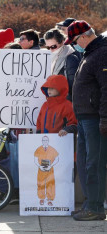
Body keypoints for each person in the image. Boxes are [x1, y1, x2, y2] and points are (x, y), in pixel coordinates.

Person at [64, 20, 107, 221]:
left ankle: (96, 207)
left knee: (94, 163)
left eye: (74, 40)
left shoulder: (100, 53)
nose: (73, 44)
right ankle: (91, 204)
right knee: (86, 162)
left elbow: (106, 88)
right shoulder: (90, 53)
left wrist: (105, 118)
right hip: (85, 118)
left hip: (94, 118)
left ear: (83, 36)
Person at [44, 28, 81, 101]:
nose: (51, 50)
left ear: (62, 42)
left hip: (66, 102)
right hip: (54, 100)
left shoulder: (71, 58)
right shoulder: (49, 57)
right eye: (48, 47)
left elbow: (73, 85)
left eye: (53, 46)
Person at [34, 136, 59, 206]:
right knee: (40, 184)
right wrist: (39, 166)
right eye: (43, 140)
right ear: (42, 141)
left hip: (50, 170)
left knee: (50, 184)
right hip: (41, 169)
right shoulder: (38, 149)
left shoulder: (52, 149)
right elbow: (35, 160)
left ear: (48, 141)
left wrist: (50, 166)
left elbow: (57, 159)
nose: (45, 142)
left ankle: (50, 200)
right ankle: (41, 199)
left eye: (46, 140)